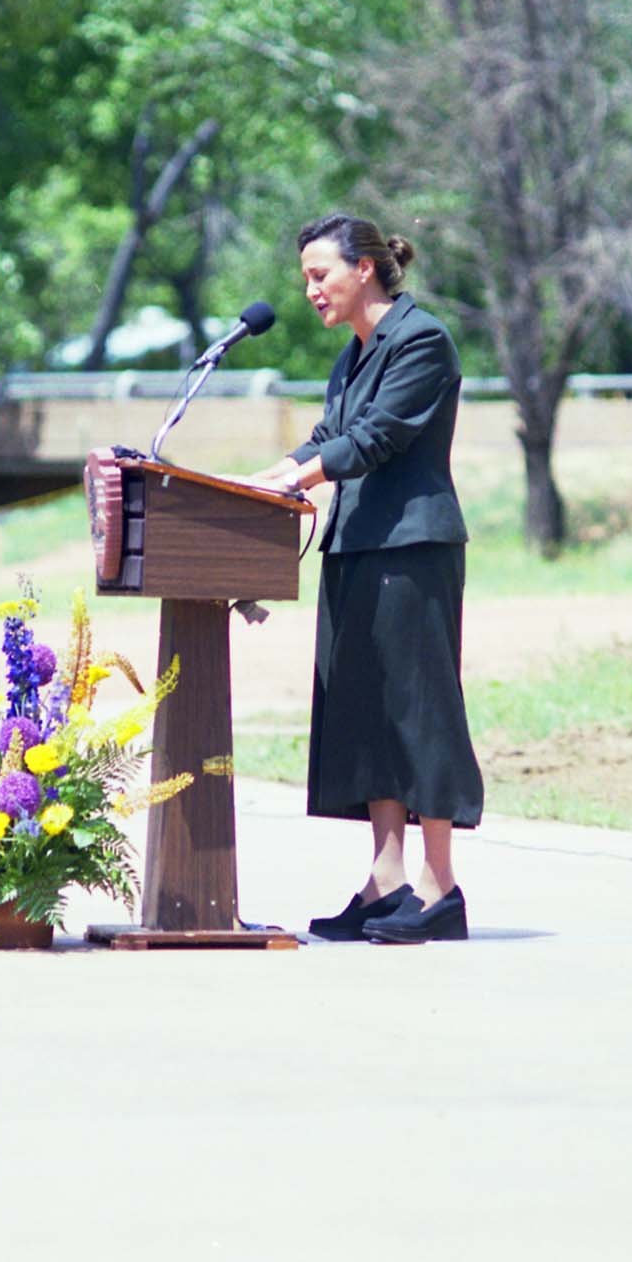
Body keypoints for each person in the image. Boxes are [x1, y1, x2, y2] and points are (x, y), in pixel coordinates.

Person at [250, 213, 483, 943]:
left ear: (366, 270)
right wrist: (256, 484)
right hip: (356, 546)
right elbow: (326, 437)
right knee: (371, 717)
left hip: (412, 548)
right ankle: (386, 884)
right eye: (306, 280)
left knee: (420, 715)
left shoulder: (421, 340)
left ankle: (440, 890)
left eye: (321, 275)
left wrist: (300, 476)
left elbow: (375, 439)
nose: (312, 291)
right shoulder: (353, 354)